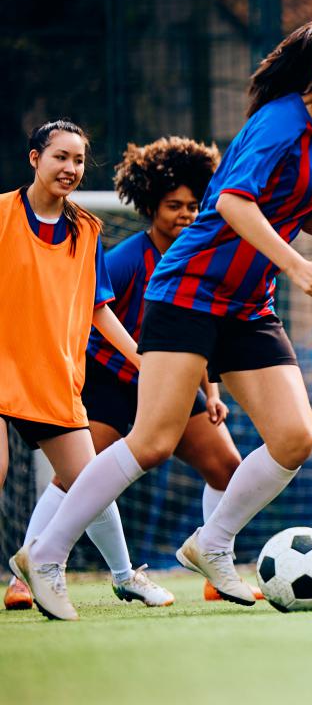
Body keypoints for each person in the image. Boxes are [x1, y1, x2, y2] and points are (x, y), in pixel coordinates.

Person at [10, 20, 312, 620]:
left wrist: (304, 215)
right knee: (153, 441)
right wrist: (296, 263)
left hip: (244, 304)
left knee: (294, 438)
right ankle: (47, 553)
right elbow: (234, 201)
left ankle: (211, 543)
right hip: (188, 291)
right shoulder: (280, 121)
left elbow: (254, 195)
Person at [5, 137, 259, 609]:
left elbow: (198, 327)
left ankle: (216, 565)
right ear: (151, 206)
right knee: (79, 477)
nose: (185, 214)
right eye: (173, 205)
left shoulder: (197, 259)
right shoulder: (123, 259)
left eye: (192, 205)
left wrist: (213, 388)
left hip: (168, 381)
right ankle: (27, 577)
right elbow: (93, 314)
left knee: (228, 467)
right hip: (108, 379)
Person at [1, 120, 174, 616]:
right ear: (35, 159)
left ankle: (124, 577)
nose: (70, 168)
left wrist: (141, 357)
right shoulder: (2, 215)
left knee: (90, 482)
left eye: (78, 160)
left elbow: (99, 308)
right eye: (60, 157)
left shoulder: (87, 231)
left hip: (53, 376)